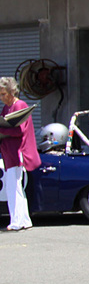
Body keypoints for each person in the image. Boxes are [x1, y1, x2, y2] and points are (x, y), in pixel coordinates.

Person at [0, 77, 40, 231]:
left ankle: (17, 221)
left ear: (11, 92)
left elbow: (20, 130)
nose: (2, 98)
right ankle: (23, 220)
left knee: (14, 187)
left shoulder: (19, 105)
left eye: (4, 94)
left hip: (18, 152)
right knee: (15, 187)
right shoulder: (7, 107)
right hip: (9, 152)